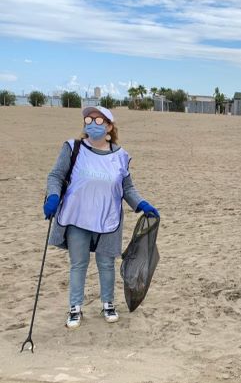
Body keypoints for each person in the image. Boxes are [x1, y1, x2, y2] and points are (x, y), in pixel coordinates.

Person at [43, 106, 159, 329]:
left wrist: (142, 204)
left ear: (109, 126)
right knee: (79, 264)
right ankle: (75, 308)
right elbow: (56, 175)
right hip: (76, 217)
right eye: (88, 119)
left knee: (106, 263)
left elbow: (128, 188)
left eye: (98, 120)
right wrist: (53, 197)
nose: (92, 123)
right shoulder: (73, 148)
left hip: (108, 219)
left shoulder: (120, 156)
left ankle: (108, 303)